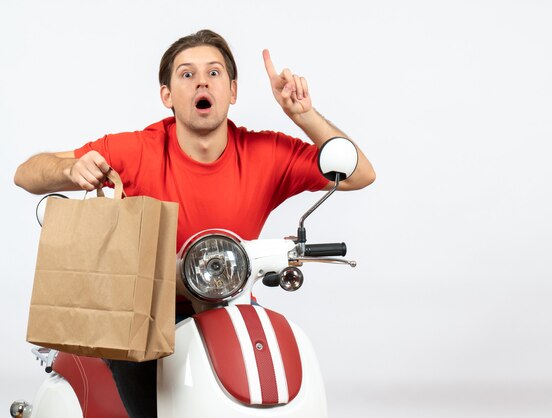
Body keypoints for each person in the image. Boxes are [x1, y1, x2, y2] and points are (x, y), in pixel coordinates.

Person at [14, 29, 375, 418]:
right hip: (143, 318)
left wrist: (303, 115)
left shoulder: (266, 152)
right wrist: (72, 167)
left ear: (232, 91)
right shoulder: (137, 150)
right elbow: (26, 173)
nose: (202, 81)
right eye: (187, 74)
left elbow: (358, 173)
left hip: (228, 305)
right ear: (167, 95)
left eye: (214, 73)